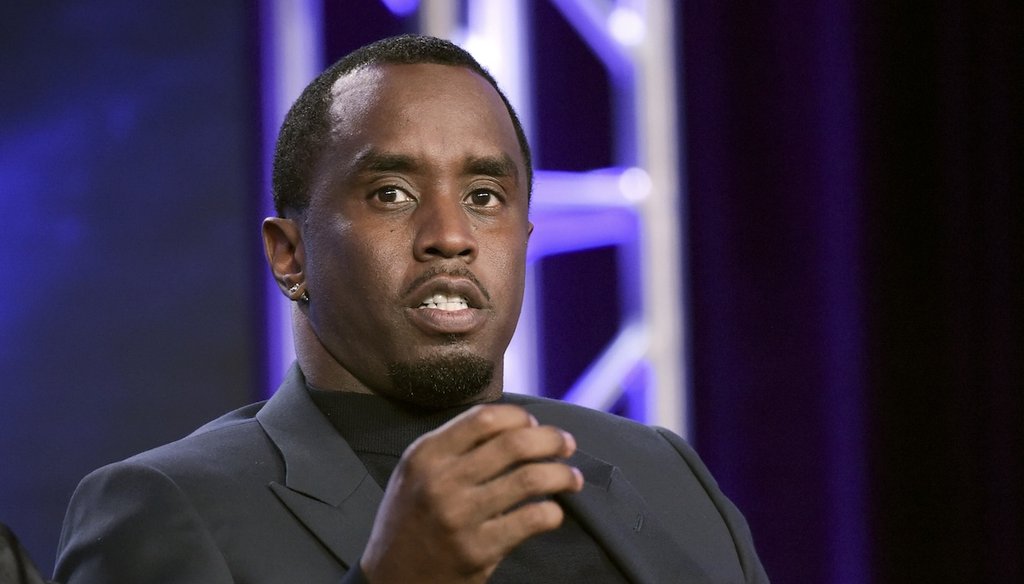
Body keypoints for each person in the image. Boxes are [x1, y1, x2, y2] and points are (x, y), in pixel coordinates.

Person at [54, 34, 768, 583]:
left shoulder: (662, 471)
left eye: (485, 197)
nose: (451, 237)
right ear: (290, 255)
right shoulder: (165, 506)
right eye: (391, 193)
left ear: (523, 240)